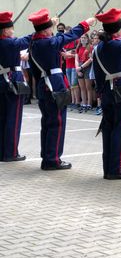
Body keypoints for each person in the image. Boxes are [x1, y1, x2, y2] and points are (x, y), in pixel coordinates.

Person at [28, 9, 95, 170]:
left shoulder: (34, 42)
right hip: (53, 85)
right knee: (56, 123)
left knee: (48, 123)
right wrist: (85, 24)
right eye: (50, 27)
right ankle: (53, 159)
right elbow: (69, 36)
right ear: (46, 30)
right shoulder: (48, 43)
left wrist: (51, 24)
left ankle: (48, 156)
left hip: (44, 84)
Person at [93, 8, 121, 180]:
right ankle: (118, 168)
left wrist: (100, 92)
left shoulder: (99, 47)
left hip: (106, 91)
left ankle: (108, 167)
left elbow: (98, 74)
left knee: (109, 129)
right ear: (119, 29)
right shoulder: (119, 45)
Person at [0, 11, 32, 162]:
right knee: (13, 118)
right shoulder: (8, 42)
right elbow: (27, 40)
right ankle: (11, 152)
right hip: (11, 80)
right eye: (10, 28)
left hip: (2, 80)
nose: (13, 30)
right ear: (5, 30)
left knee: (2, 118)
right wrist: (44, 26)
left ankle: (2, 151)